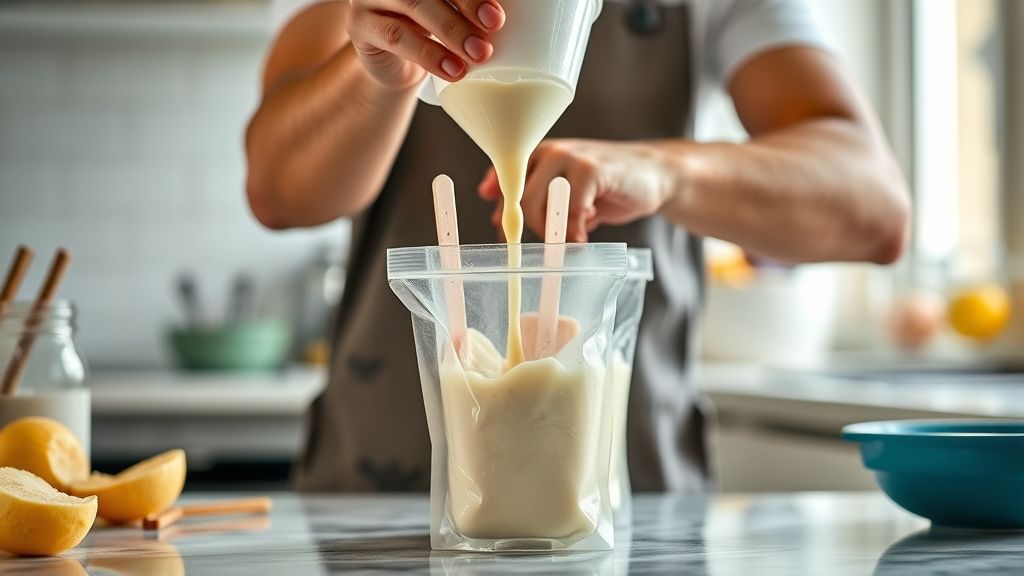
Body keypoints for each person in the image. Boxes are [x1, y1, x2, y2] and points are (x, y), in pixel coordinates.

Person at [246, 0, 910, 492]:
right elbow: (279, 191)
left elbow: (874, 206)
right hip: (375, 499)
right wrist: (377, 68)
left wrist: (666, 168)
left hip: (635, 503)